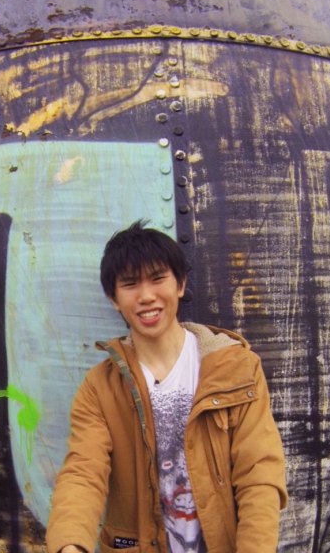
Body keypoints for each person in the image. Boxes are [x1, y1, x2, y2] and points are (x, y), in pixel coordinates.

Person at [46, 220, 287, 552]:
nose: (146, 296)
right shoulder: (100, 388)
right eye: (130, 284)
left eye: (158, 279)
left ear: (180, 284)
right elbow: (83, 473)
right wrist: (69, 544)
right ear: (113, 298)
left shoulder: (236, 369)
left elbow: (259, 473)